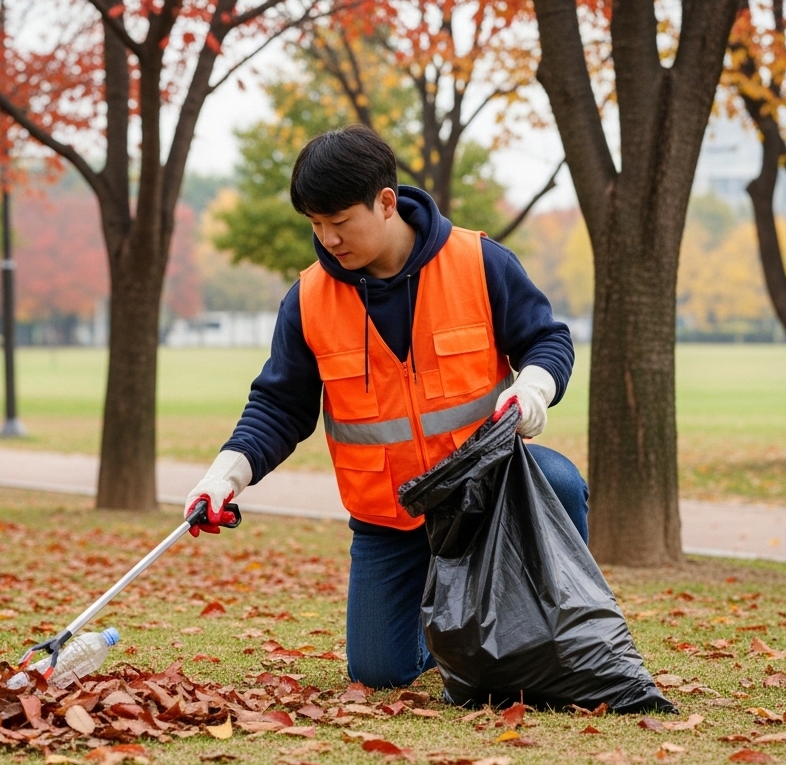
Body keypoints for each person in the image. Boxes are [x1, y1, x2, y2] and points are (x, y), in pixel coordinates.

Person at [184, 125, 586, 689]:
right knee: (377, 672)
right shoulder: (306, 301)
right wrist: (224, 476)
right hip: (389, 520)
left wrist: (533, 389)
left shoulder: (479, 261)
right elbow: (279, 406)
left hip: (484, 499)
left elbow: (548, 339)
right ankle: (452, 638)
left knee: (559, 480)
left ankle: (555, 636)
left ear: (386, 202)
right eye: (316, 225)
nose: (328, 239)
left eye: (340, 222)